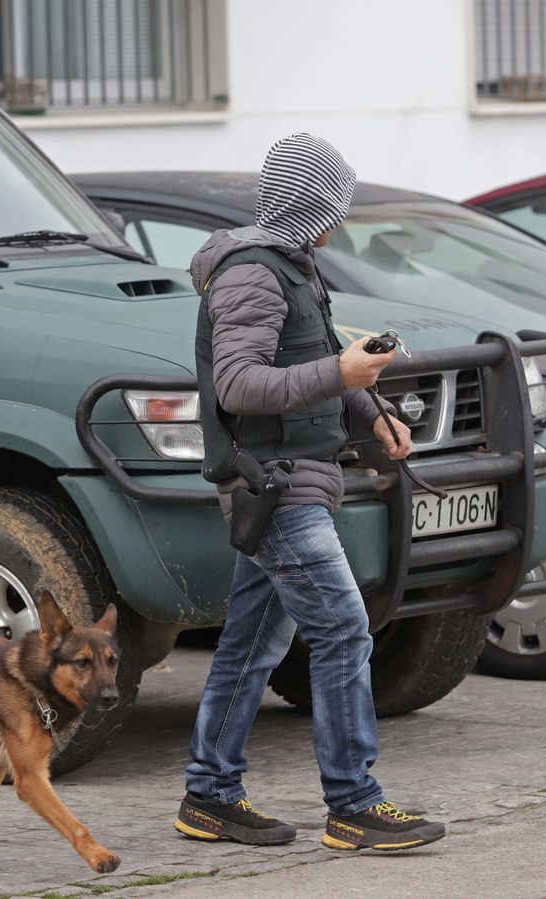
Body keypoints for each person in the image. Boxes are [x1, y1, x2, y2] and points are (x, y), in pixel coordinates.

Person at [173, 133, 445, 852]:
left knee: (252, 642)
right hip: (275, 486)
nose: (339, 222)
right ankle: (354, 804)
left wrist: (371, 413)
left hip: (291, 479)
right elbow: (239, 385)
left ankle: (209, 795)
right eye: (334, 207)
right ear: (308, 205)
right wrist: (341, 375)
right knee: (344, 629)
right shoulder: (253, 276)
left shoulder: (294, 267)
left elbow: (314, 365)